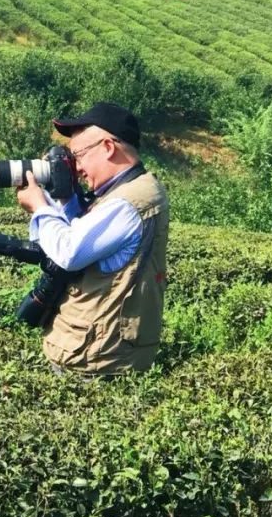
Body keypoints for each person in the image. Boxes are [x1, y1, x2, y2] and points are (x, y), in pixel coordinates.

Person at [15, 102, 170, 378]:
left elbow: (69, 251)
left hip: (97, 360)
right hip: (92, 350)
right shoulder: (125, 192)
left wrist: (40, 208)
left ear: (108, 147)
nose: (77, 168)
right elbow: (85, 236)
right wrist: (65, 198)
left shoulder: (130, 201)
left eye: (79, 156)